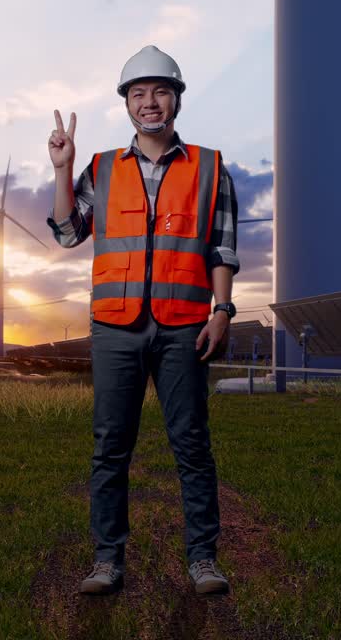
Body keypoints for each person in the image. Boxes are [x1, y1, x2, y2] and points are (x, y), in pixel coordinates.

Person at [46, 45, 240, 596]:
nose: (149, 103)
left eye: (159, 92)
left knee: (192, 445)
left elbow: (222, 247)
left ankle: (203, 558)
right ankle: (108, 559)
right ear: (127, 105)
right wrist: (62, 170)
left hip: (184, 325)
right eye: (138, 94)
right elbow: (66, 232)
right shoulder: (102, 169)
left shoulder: (210, 167)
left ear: (175, 99)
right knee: (111, 447)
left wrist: (221, 310)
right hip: (116, 327)